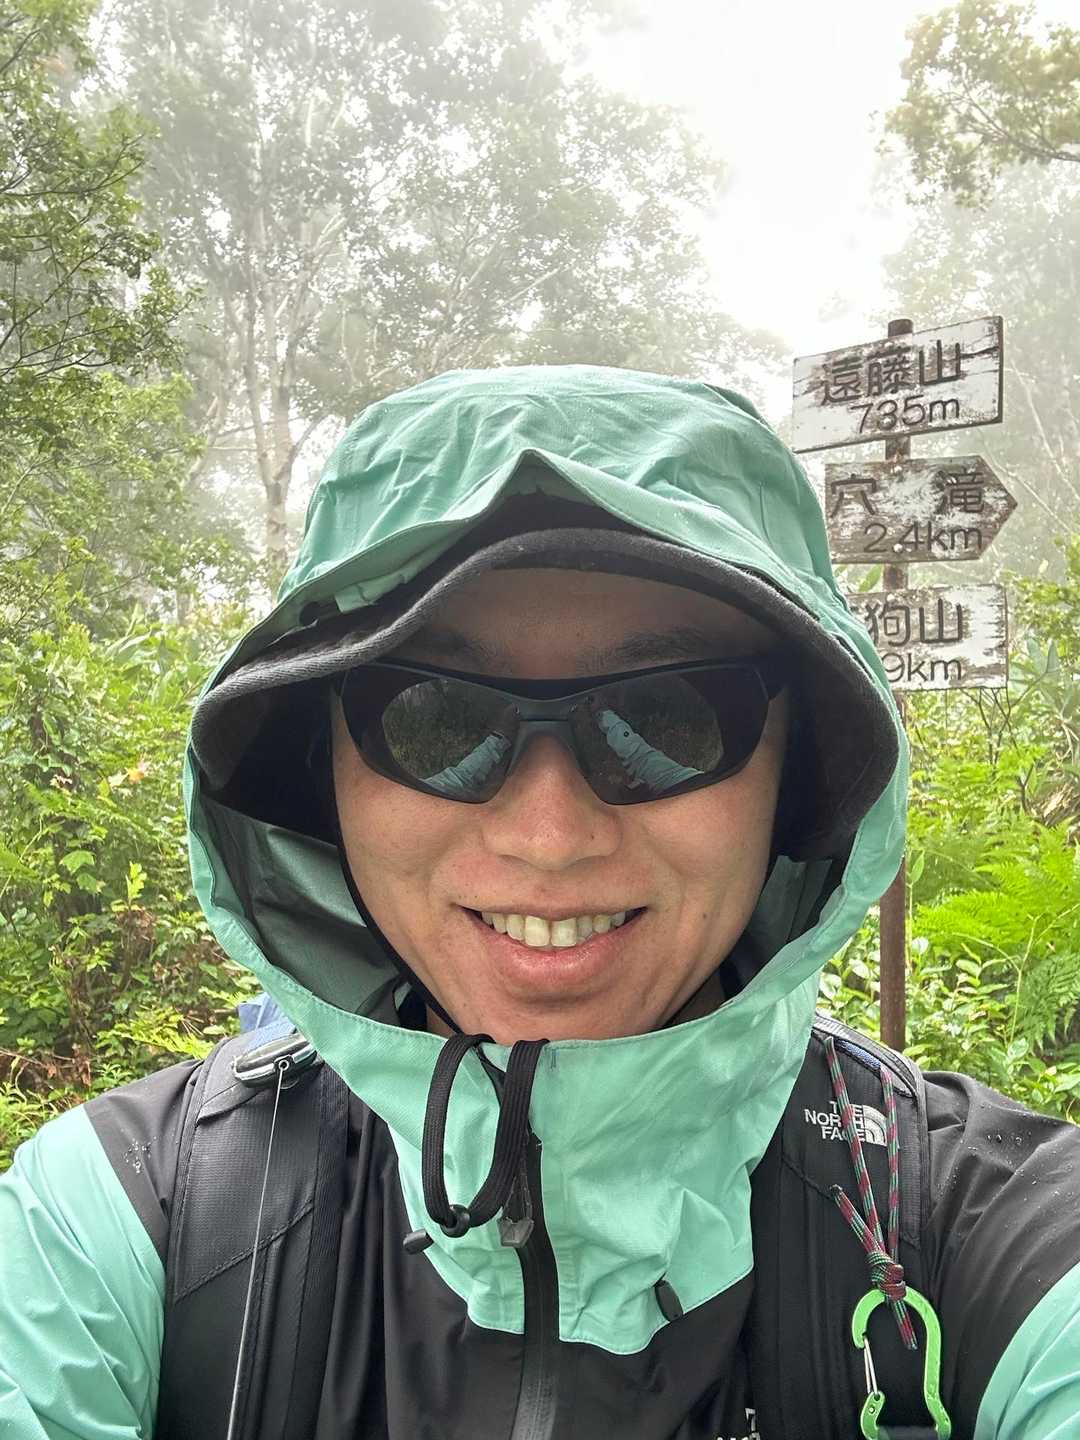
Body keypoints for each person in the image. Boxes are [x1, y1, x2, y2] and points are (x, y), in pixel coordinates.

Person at [1, 364, 1078, 1440]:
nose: (549, 837)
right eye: (430, 717)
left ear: (794, 775)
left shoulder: (1000, 1235)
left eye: (670, 714)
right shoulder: (118, 1226)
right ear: (326, 772)